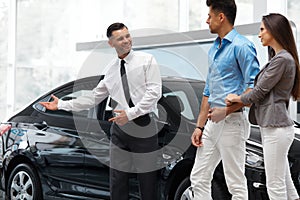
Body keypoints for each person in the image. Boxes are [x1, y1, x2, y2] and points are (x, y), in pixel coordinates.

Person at [40, 22, 162, 200]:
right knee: (117, 181)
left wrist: (130, 114)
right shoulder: (111, 70)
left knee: (148, 182)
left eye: (128, 36)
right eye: (120, 38)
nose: (126, 41)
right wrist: (61, 105)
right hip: (119, 129)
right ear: (111, 43)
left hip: (144, 125)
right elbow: (93, 98)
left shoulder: (147, 60)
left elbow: (154, 92)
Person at [189, 0, 260, 199]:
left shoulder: (243, 46)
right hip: (212, 124)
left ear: (221, 17)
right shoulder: (214, 48)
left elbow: (254, 90)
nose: (206, 21)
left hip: (232, 123)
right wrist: (199, 126)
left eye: (209, 16)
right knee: (199, 178)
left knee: (235, 183)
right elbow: (208, 90)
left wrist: (226, 111)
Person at [226, 13, 300, 200]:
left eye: (262, 29)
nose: (259, 35)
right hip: (276, 127)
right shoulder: (281, 58)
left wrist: (236, 98)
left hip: (276, 128)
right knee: (286, 184)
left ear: (274, 31)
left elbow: (259, 92)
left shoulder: (282, 60)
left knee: (275, 185)